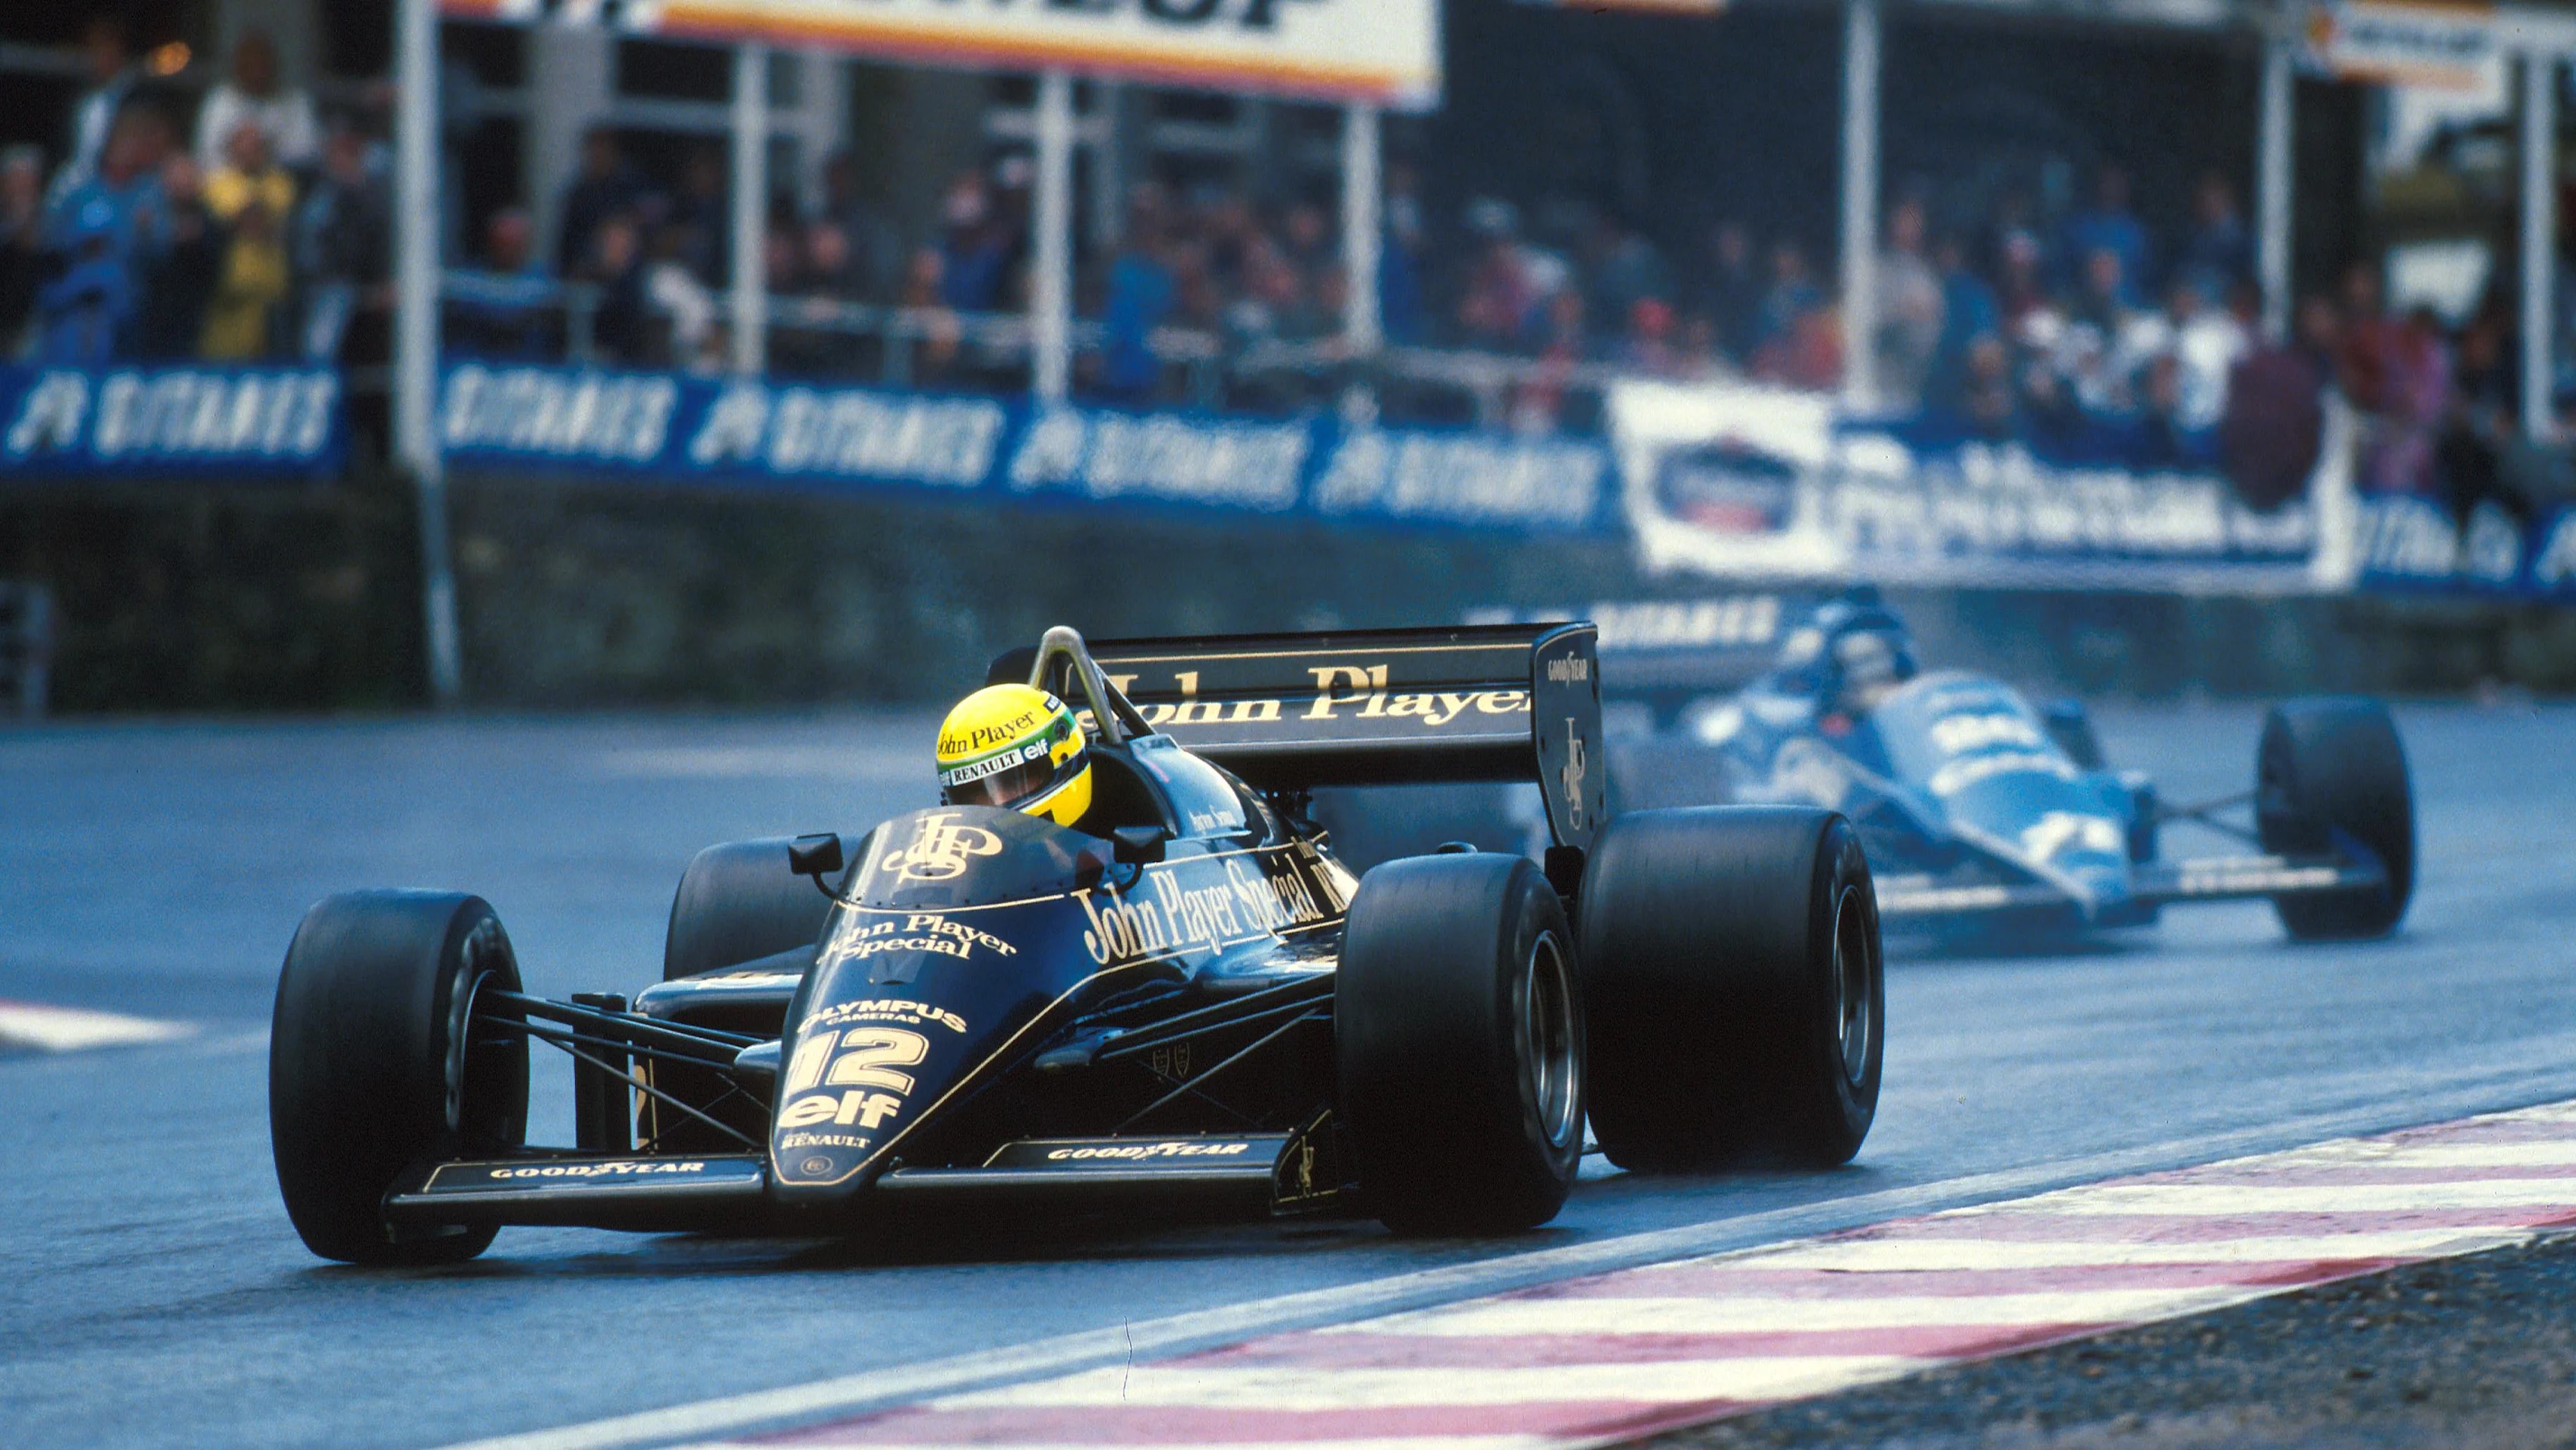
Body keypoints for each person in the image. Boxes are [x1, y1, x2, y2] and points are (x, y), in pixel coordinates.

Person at [934, 684, 1092, 829]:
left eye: (1014, 782)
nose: (999, 800)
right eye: (975, 794)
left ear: (1062, 762)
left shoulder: (1109, 854)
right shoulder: (960, 859)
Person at [194, 28, 319, 175]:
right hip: (227, 187)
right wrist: (236, 148)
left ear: (274, 65)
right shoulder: (219, 100)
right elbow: (205, 156)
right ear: (237, 65)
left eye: (262, 64)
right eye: (249, 65)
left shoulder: (296, 102)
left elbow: (306, 155)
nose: (256, 72)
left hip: (283, 187)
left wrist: (263, 147)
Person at [52, 19, 137, 204]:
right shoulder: (83, 99)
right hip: (78, 186)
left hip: (119, 188)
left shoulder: (137, 98)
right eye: (92, 51)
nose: (96, 59)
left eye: (101, 50)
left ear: (117, 51)